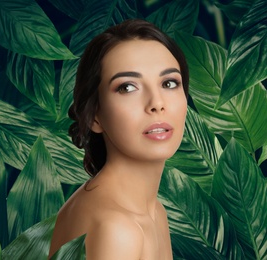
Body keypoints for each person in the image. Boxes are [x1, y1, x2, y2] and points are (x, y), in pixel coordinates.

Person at [48, 19, 189, 259]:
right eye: (128, 88)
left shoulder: (154, 211)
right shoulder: (117, 228)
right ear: (94, 116)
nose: (157, 103)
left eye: (169, 83)